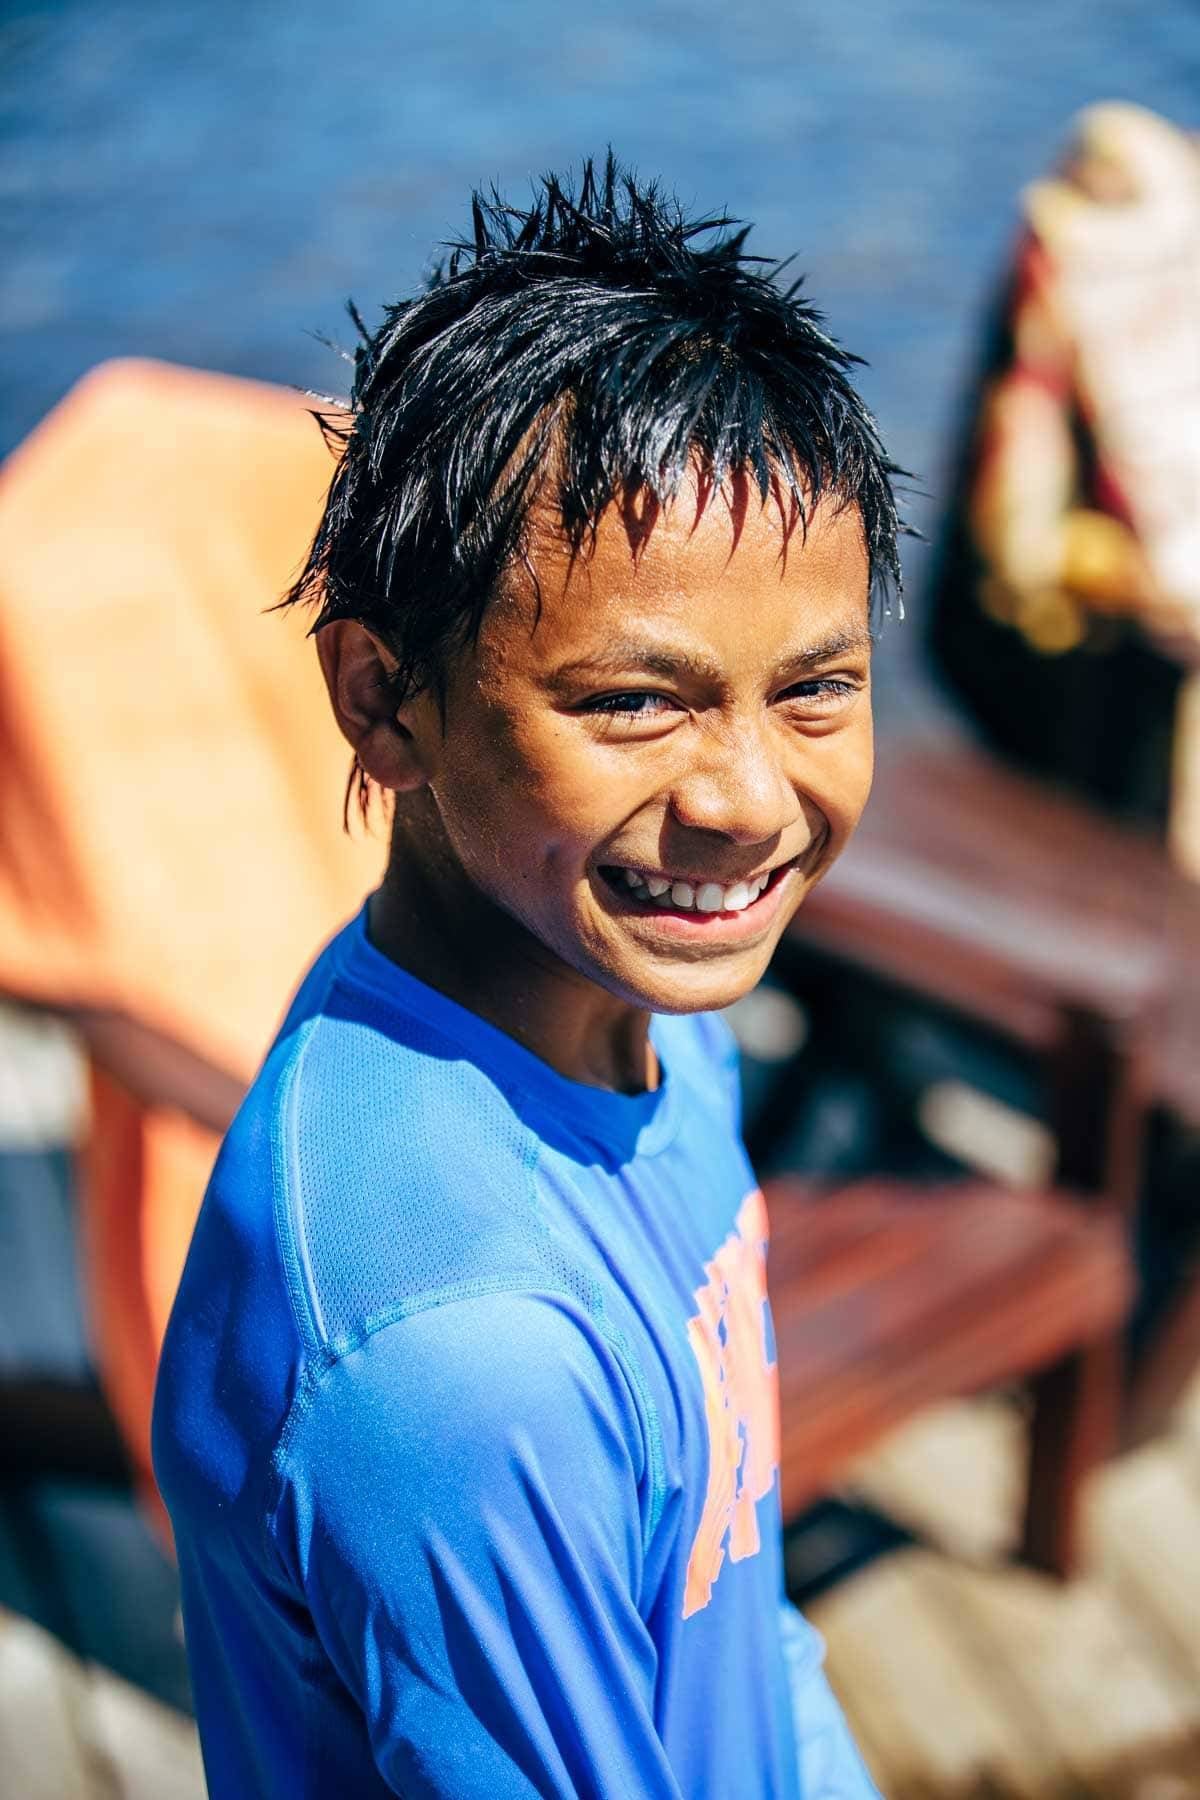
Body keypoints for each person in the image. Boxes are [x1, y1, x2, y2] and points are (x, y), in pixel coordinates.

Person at [151, 156, 900, 1797]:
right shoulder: (458, 1362)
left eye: (817, 689)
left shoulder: (644, 1010)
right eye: (635, 701)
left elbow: (742, 1598)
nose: (747, 799)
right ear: (384, 698)